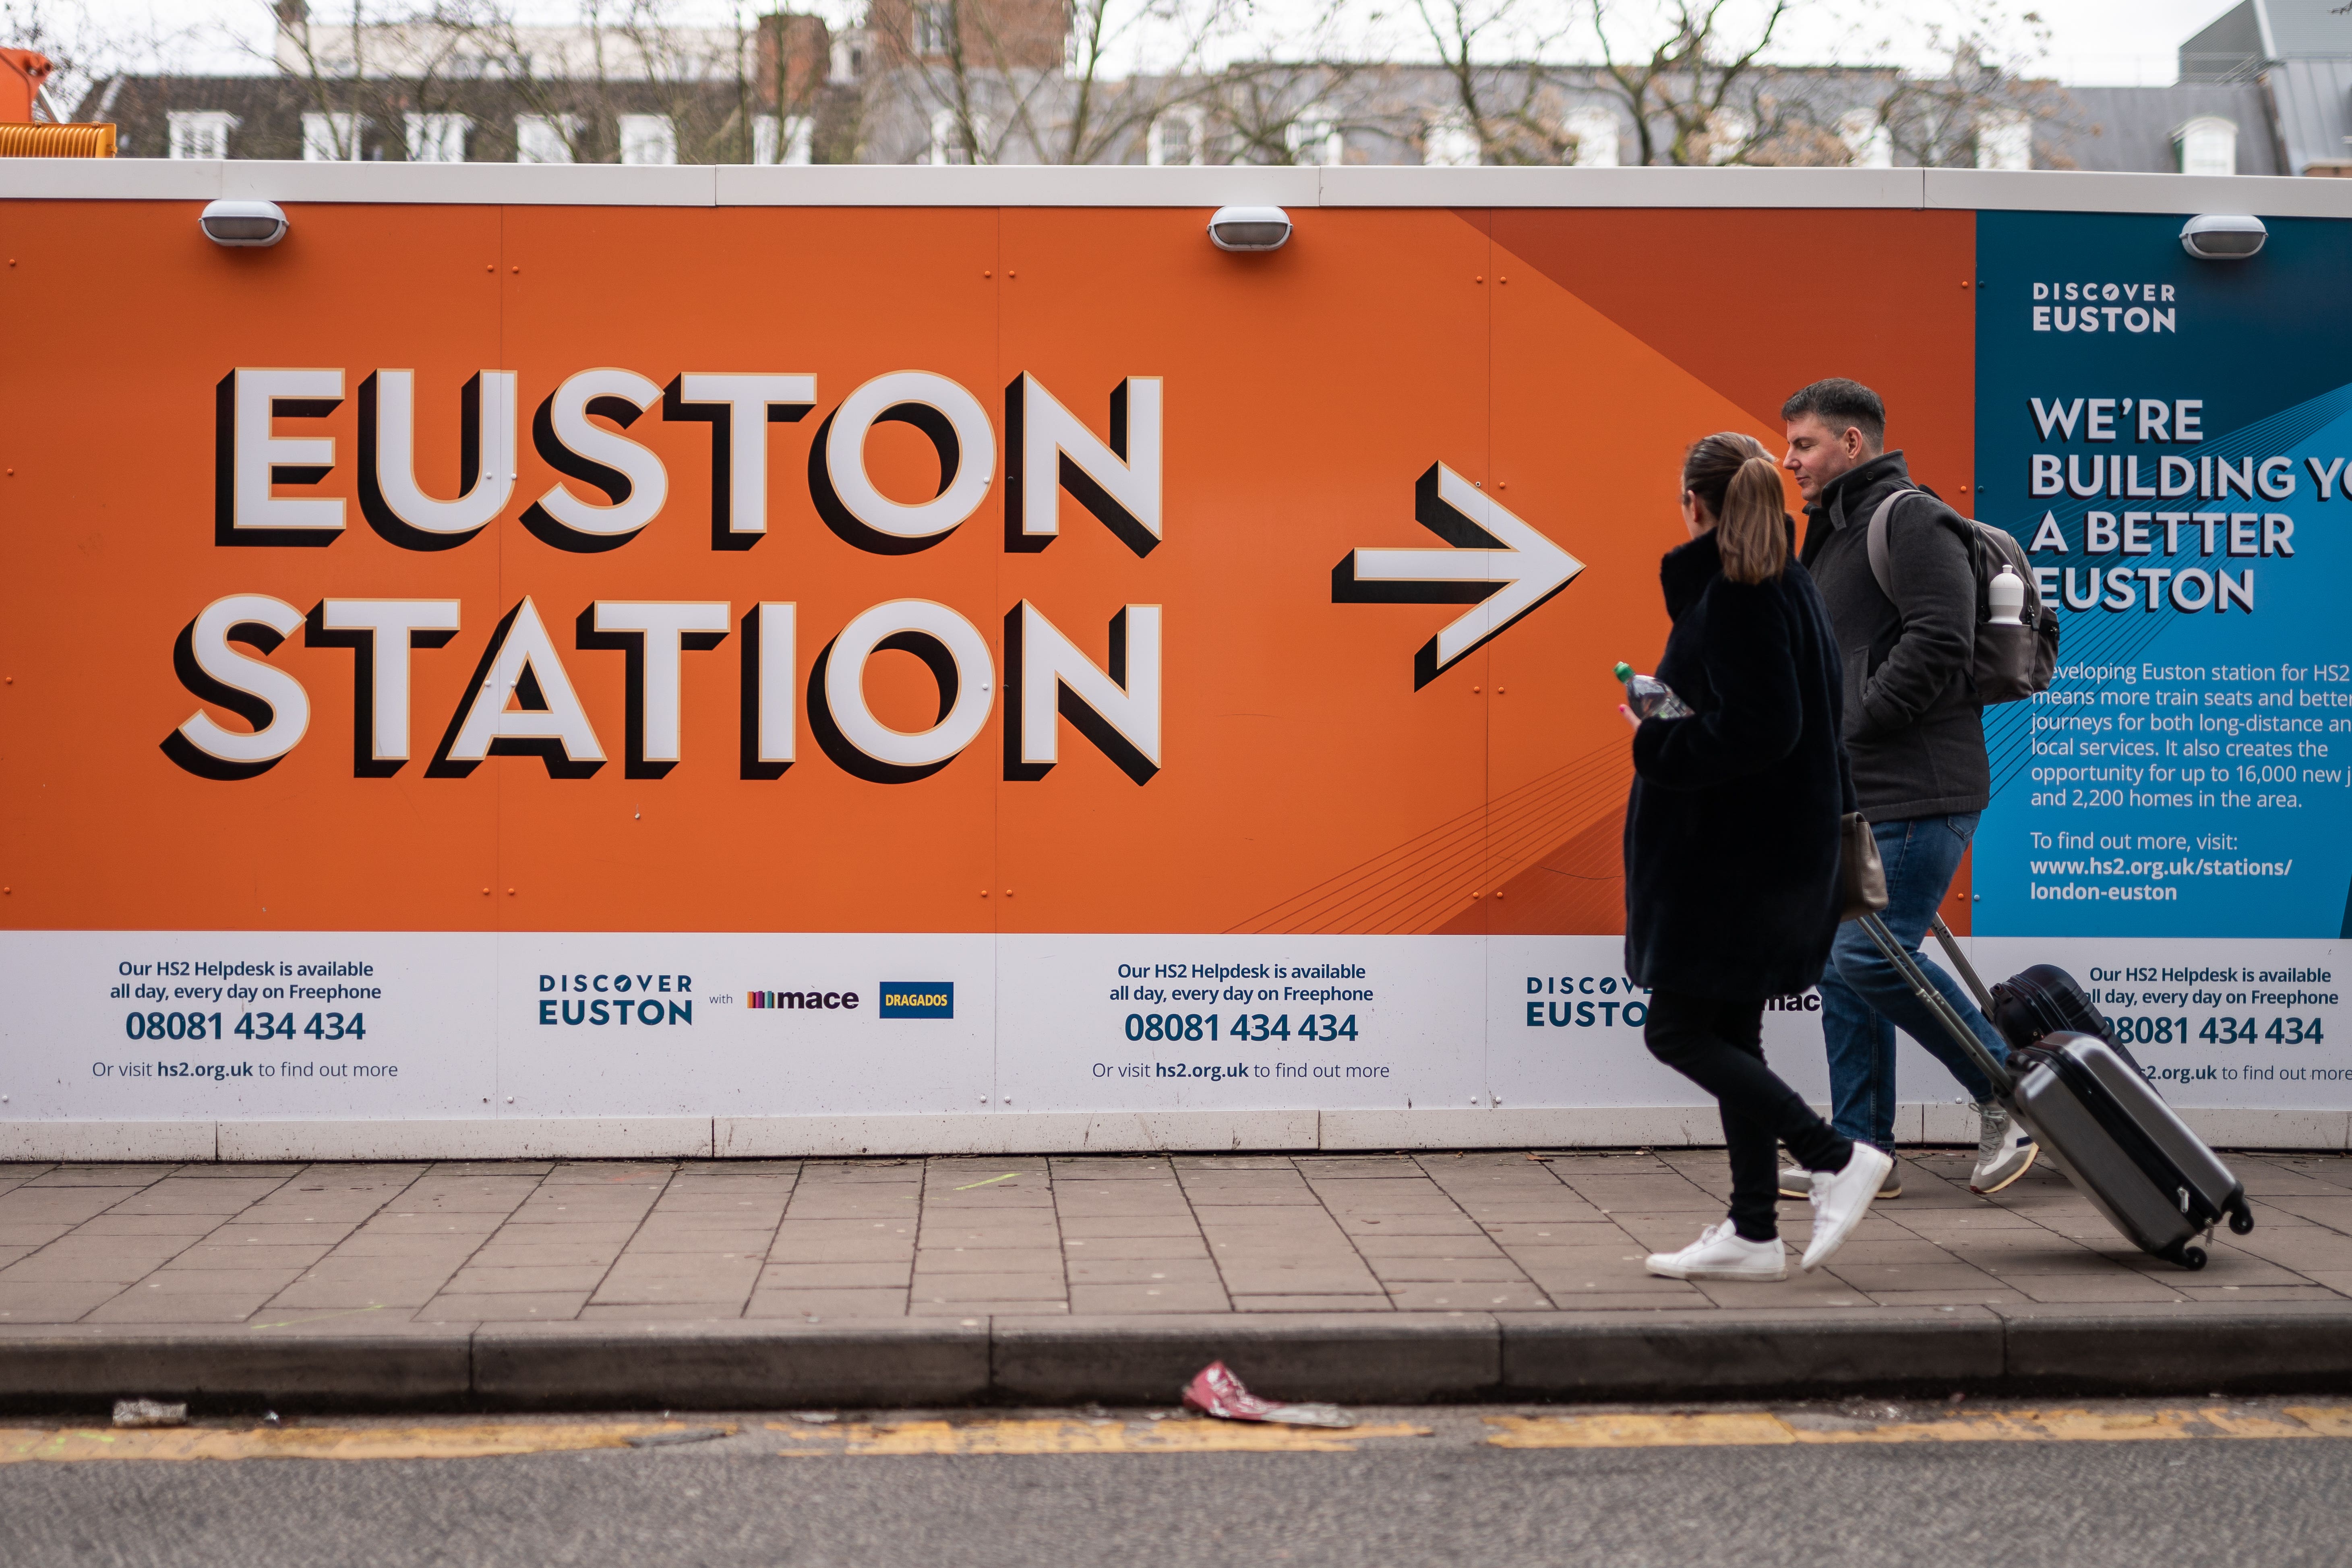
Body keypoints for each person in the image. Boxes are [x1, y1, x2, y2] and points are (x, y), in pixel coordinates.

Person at [1627, 431, 1893, 1282]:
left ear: (1693, 506)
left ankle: (1832, 1156)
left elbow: (1759, 731)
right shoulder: (1784, 585)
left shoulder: (1739, 598)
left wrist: (1656, 739)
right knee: (1731, 1032)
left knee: (1675, 1030)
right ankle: (1750, 1232)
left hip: (1729, 866)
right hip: (1762, 857)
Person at [1777, 378, 2038, 1199]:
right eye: (1787, 447)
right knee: (1840, 966)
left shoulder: (1909, 518)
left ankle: (2012, 1097)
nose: (1789, 461)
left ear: (1852, 443)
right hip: (1857, 795)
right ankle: (1861, 1152)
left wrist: (1859, 720)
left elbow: (1938, 638)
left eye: (1804, 444)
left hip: (1923, 786)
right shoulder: (1825, 537)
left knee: (1869, 955)